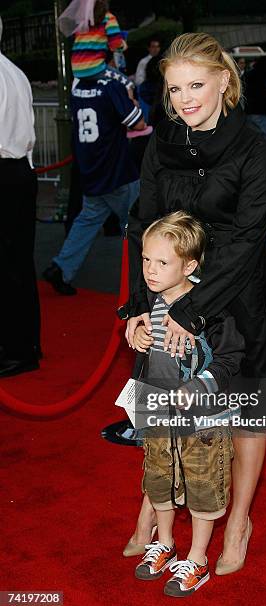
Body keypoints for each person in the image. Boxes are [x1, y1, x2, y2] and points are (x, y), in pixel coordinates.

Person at [123, 32, 266, 574]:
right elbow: (145, 224)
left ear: (224, 81)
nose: (184, 99)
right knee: (165, 403)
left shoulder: (254, 145)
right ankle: (151, 516)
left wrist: (190, 313)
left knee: (247, 412)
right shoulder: (163, 141)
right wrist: (142, 303)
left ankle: (238, 523)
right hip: (172, 288)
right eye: (174, 88)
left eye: (196, 85)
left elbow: (248, 238)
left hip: (241, 291)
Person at [128, 211, 244, 596]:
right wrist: (140, 338)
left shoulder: (210, 308)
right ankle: (164, 541)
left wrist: (197, 386)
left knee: (202, 483)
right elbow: (151, 352)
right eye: (146, 259)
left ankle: (196, 558)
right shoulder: (151, 299)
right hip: (156, 408)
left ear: (190, 265)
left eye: (163, 262)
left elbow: (230, 359)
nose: (150, 269)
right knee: (158, 479)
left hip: (203, 419)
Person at [43, 71, 145, 295]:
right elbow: (138, 123)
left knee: (87, 221)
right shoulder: (111, 86)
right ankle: (145, 282)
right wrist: (131, 100)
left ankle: (62, 268)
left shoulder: (77, 87)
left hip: (93, 170)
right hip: (117, 171)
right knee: (140, 226)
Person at [0, 17, 41, 377]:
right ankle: (25, 344)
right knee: (19, 264)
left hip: (3, 171)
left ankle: (15, 349)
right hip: (21, 173)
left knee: (7, 267)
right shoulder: (14, 71)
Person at [244, 54, 266, 142]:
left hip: (248, 113)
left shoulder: (248, 75)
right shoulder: (263, 76)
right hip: (262, 112)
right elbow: (262, 95)